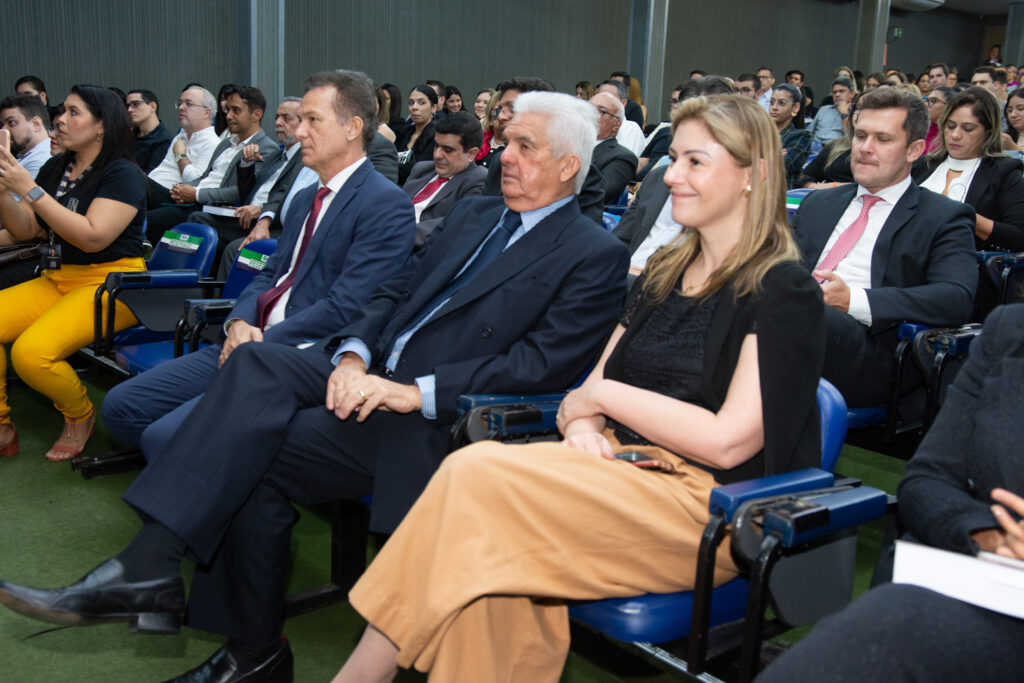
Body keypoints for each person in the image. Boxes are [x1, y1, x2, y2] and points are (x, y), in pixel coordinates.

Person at [0, 91, 629, 682]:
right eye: (506, 141)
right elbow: (393, 293)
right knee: (254, 366)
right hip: (366, 379)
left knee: (254, 448)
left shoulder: (590, 254)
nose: (504, 156)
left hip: (438, 420)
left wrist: (415, 392)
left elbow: (536, 367)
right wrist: (354, 355)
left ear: (570, 165)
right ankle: (156, 567)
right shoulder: (476, 213)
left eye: (524, 146)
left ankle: (242, 645)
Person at [332, 93, 826, 683]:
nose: (671, 175)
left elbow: (727, 443)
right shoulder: (664, 273)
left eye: (696, 162)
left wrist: (602, 405)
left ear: (756, 174)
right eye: (674, 159)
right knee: (495, 561)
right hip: (618, 472)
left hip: (709, 510)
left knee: (476, 476)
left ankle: (362, 675)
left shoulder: (784, 290)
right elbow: (581, 398)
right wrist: (588, 424)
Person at [102, 70, 416, 456]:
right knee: (121, 407)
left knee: (163, 438)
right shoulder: (303, 199)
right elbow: (270, 273)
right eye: (300, 120)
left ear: (352, 128)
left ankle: (215, 472)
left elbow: (346, 306)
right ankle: (219, 471)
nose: (299, 132)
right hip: (248, 341)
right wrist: (238, 323)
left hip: (297, 355)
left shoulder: (384, 204)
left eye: (312, 120)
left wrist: (260, 342)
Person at [757, 303, 1024, 683]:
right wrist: (989, 534)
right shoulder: (1010, 329)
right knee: (876, 632)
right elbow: (926, 478)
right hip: (985, 576)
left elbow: (953, 294)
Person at [791, 86, 977, 409]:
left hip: (875, 350)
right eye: (860, 136)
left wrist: (853, 300)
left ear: (914, 150)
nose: (864, 148)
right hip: (791, 326)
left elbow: (956, 297)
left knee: (801, 309)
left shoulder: (944, 217)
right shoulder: (818, 204)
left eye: (883, 139)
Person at [0, 85, 146, 460]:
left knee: (32, 354)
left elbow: (93, 237)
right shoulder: (57, 166)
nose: (60, 119)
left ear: (101, 126)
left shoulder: (123, 174)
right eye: (61, 111)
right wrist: (4, 188)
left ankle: (80, 415)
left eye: (73, 112)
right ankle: (2, 426)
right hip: (59, 278)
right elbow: (26, 230)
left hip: (112, 284)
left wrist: (29, 190)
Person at [612, 76, 736, 275]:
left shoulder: (732, 195)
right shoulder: (657, 179)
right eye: (674, 157)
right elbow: (619, 241)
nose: (672, 177)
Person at [912, 86, 1024, 252]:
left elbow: (1018, 237)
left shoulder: (1004, 172)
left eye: (968, 129)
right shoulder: (922, 165)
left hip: (963, 266)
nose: (955, 135)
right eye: (950, 126)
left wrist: (965, 216)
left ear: (988, 132)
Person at [402, 110, 486, 247]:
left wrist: (397, 234)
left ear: (472, 154)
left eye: (447, 150)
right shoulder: (421, 169)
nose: (437, 155)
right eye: (436, 146)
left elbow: (455, 223)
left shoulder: (478, 179)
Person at [145, 85, 219, 208]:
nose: (181, 107)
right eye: (179, 103)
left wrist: (180, 155)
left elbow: (193, 183)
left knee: (133, 176)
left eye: (188, 104)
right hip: (153, 190)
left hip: (172, 199)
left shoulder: (213, 143)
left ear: (206, 113)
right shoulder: (181, 136)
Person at [588, 92, 639, 203]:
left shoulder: (623, 157)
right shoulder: (566, 145)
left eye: (600, 111)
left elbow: (597, 192)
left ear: (617, 124)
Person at [769, 83, 812, 189]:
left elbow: (783, 165)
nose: (774, 107)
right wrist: (774, 154)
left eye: (781, 103)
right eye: (772, 102)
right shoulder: (759, 132)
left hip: (781, 195)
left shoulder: (801, 136)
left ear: (796, 107)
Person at [0, 94, 52, 180]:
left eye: (11, 122)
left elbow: (26, 193)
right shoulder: (26, 155)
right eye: (2, 124)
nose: (3, 129)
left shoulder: (40, 161)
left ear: (36, 124)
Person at [394, 85, 436, 185]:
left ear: (433, 108)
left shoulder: (437, 136)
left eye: (421, 103)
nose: (414, 107)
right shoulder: (404, 131)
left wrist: (390, 166)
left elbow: (418, 169)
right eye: (411, 103)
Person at [125, 89, 174, 173]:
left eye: (135, 104)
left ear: (152, 106)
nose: (129, 110)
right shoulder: (128, 137)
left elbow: (153, 178)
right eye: (128, 106)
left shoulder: (164, 140)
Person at [808, 78, 855, 145]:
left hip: (835, 149)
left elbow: (850, 138)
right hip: (814, 146)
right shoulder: (824, 109)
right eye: (834, 92)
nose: (837, 94)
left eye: (841, 91)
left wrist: (844, 114)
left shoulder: (856, 112)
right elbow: (808, 131)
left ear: (852, 93)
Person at [924, 86, 954, 152]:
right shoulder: (919, 128)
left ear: (948, 106)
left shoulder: (953, 134)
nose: (927, 104)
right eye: (927, 100)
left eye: (933, 100)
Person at [1000, 86, 1024, 151]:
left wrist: (1013, 147)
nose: (1013, 115)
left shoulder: (1008, 142)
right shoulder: (1005, 137)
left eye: (1020, 109)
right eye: (1010, 110)